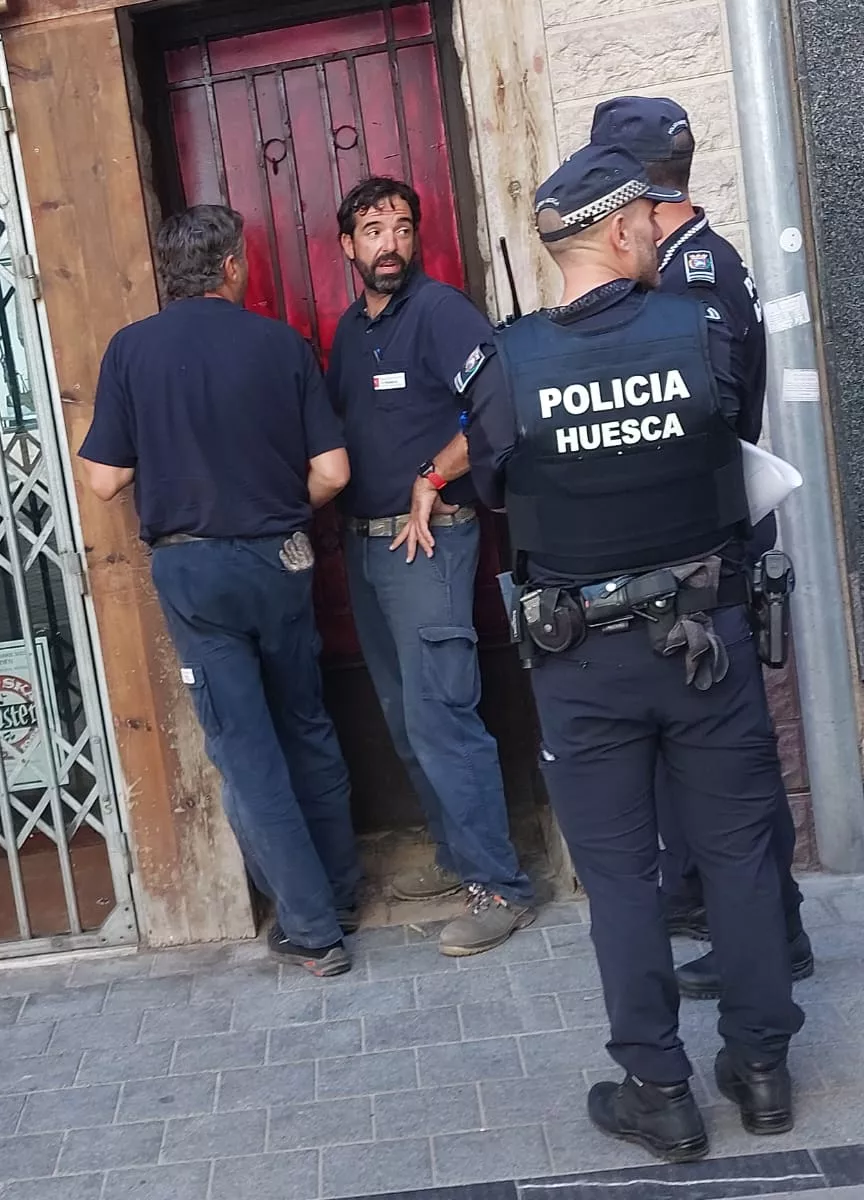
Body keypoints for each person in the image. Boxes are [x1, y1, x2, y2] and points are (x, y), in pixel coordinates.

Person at [462, 143, 804, 1161]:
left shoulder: (507, 362)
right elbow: (732, 437)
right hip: (708, 642)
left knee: (620, 878)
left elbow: (493, 488)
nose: (660, 229)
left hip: (582, 661)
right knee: (739, 855)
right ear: (618, 231)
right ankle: (762, 1068)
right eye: (649, 220)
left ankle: (660, 1090)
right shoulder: (698, 331)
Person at [77, 204, 364, 977]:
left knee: (245, 748)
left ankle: (314, 930)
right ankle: (341, 894)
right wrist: (275, 511)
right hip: (283, 558)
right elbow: (333, 471)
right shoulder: (282, 345)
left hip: (195, 571)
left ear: (168, 273)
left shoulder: (131, 350)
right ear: (232, 267)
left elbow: (105, 480)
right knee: (306, 722)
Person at [590, 95, 812, 1001]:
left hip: (708, 554)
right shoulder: (686, 264)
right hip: (699, 554)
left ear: (633, 188)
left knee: (730, 771)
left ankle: (773, 936)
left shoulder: (693, 278)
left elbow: (706, 421)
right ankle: (723, 910)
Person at [324, 176, 534, 957]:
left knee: (443, 716)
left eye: (403, 228)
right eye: (374, 230)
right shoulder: (352, 330)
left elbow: (502, 403)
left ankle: (501, 887)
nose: (391, 243)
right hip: (367, 545)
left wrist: (434, 474)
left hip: (429, 542)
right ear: (347, 245)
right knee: (406, 720)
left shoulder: (441, 312)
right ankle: (458, 857)